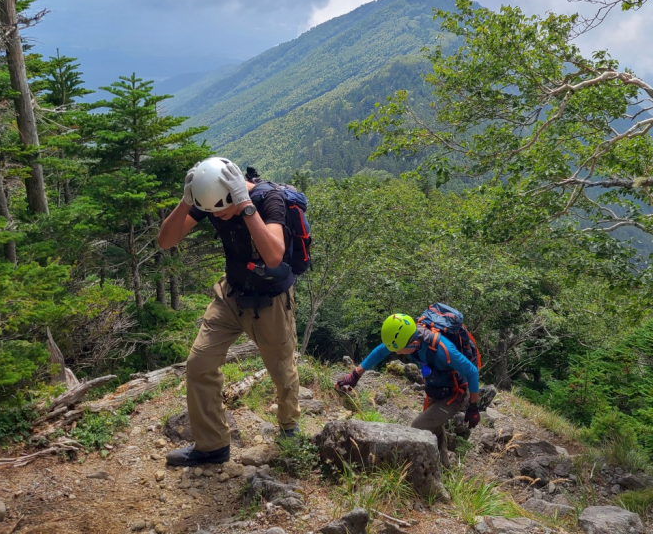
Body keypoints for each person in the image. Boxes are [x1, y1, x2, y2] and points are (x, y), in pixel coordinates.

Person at [157, 156, 300, 468]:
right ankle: (212, 446)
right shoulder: (212, 200)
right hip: (231, 294)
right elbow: (166, 240)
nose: (218, 219)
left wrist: (246, 206)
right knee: (199, 363)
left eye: (222, 211)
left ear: (235, 194)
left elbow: (274, 256)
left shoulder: (268, 200)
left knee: (281, 370)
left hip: (270, 299)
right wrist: (186, 201)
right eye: (212, 213)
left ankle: (289, 428)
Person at [335, 312, 480, 465]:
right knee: (433, 429)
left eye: (399, 349)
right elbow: (380, 351)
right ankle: (442, 467)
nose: (397, 353)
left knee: (419, 427)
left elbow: (472, 371)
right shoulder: (407, 336)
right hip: (437, 388)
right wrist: (355, 375)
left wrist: (473, 406)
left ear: (413, 343)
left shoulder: (443, 349)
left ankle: (429, 470)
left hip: (456, 393)